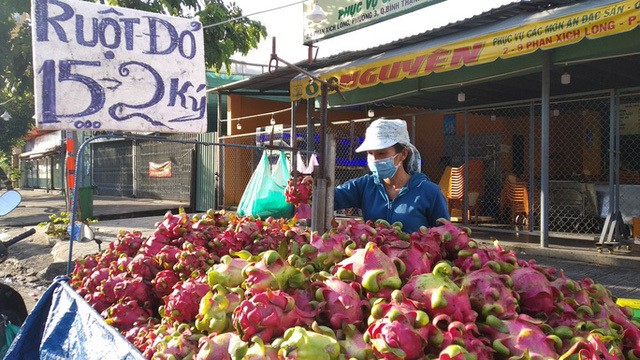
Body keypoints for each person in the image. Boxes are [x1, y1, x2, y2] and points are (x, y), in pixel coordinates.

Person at [333, 118, 450, 233]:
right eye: (370, 153)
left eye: (382, 153)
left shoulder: (430, 192)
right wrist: (315, 189)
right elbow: (331, 198)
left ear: (403, 154)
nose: (375, 159)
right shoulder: (364, 186)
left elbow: (445, 235)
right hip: (374, 251)